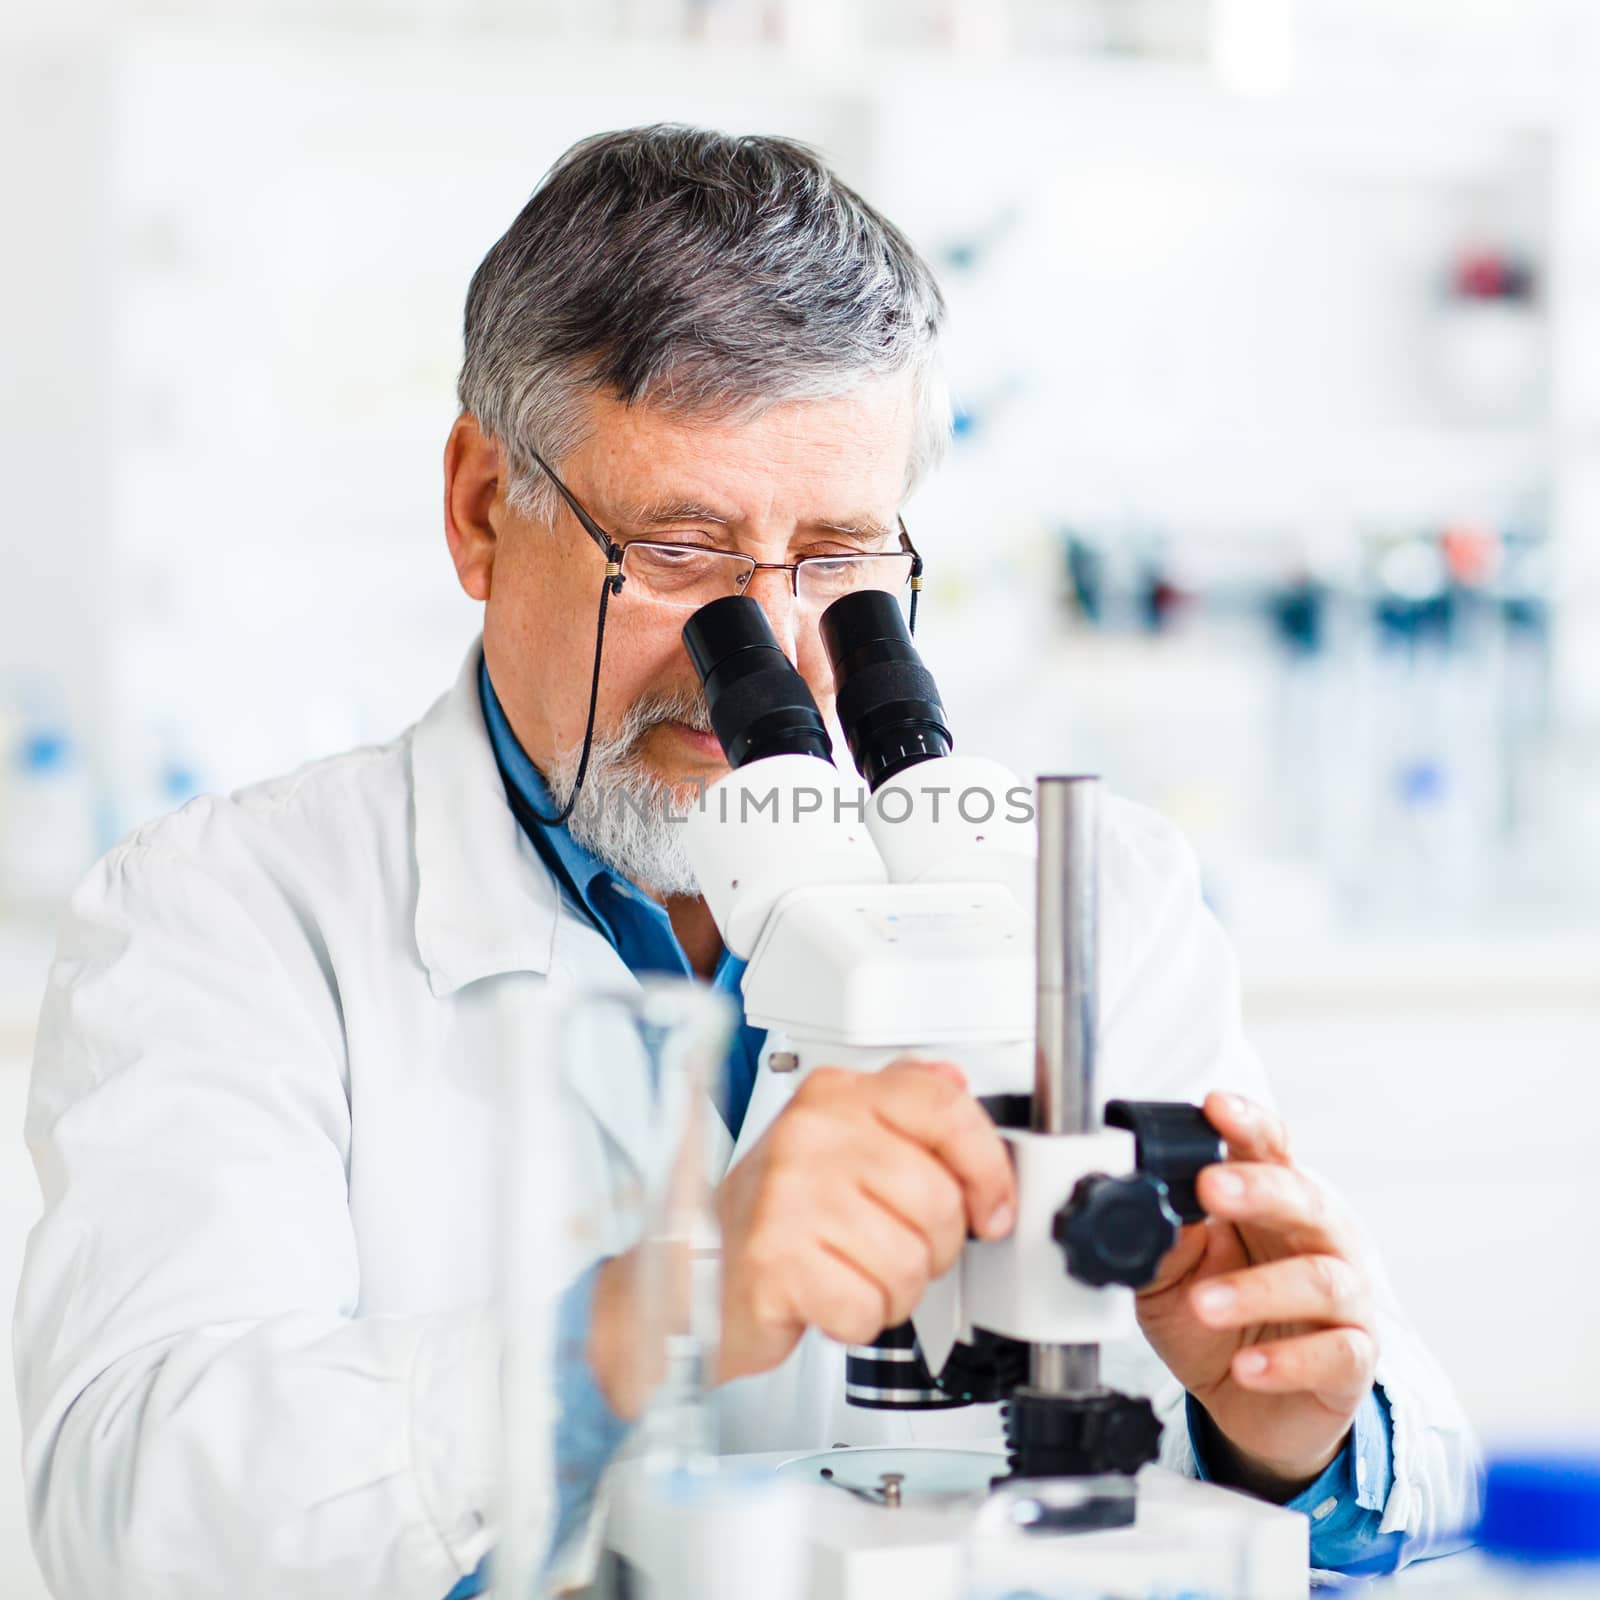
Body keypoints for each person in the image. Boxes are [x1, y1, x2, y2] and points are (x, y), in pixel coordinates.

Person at [13, 126, 1478, 1600]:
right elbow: (123, 1520)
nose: (769, 662)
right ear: (478, 510)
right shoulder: (229, 915)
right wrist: (660, 1309)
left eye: (840, 557)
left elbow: (1427, 1466)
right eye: (679, 550)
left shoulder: (1085, 894)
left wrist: (1289, 1436)